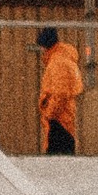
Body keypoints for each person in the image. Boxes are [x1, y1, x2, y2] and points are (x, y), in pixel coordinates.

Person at [37, 22, 84, 155]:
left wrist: (49, 114)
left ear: (46, 45)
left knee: (57, 161)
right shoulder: (62, 58)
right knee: (64, 158)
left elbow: (61, 93)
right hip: (63, 118)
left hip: (59, 120)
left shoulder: (57, 62)